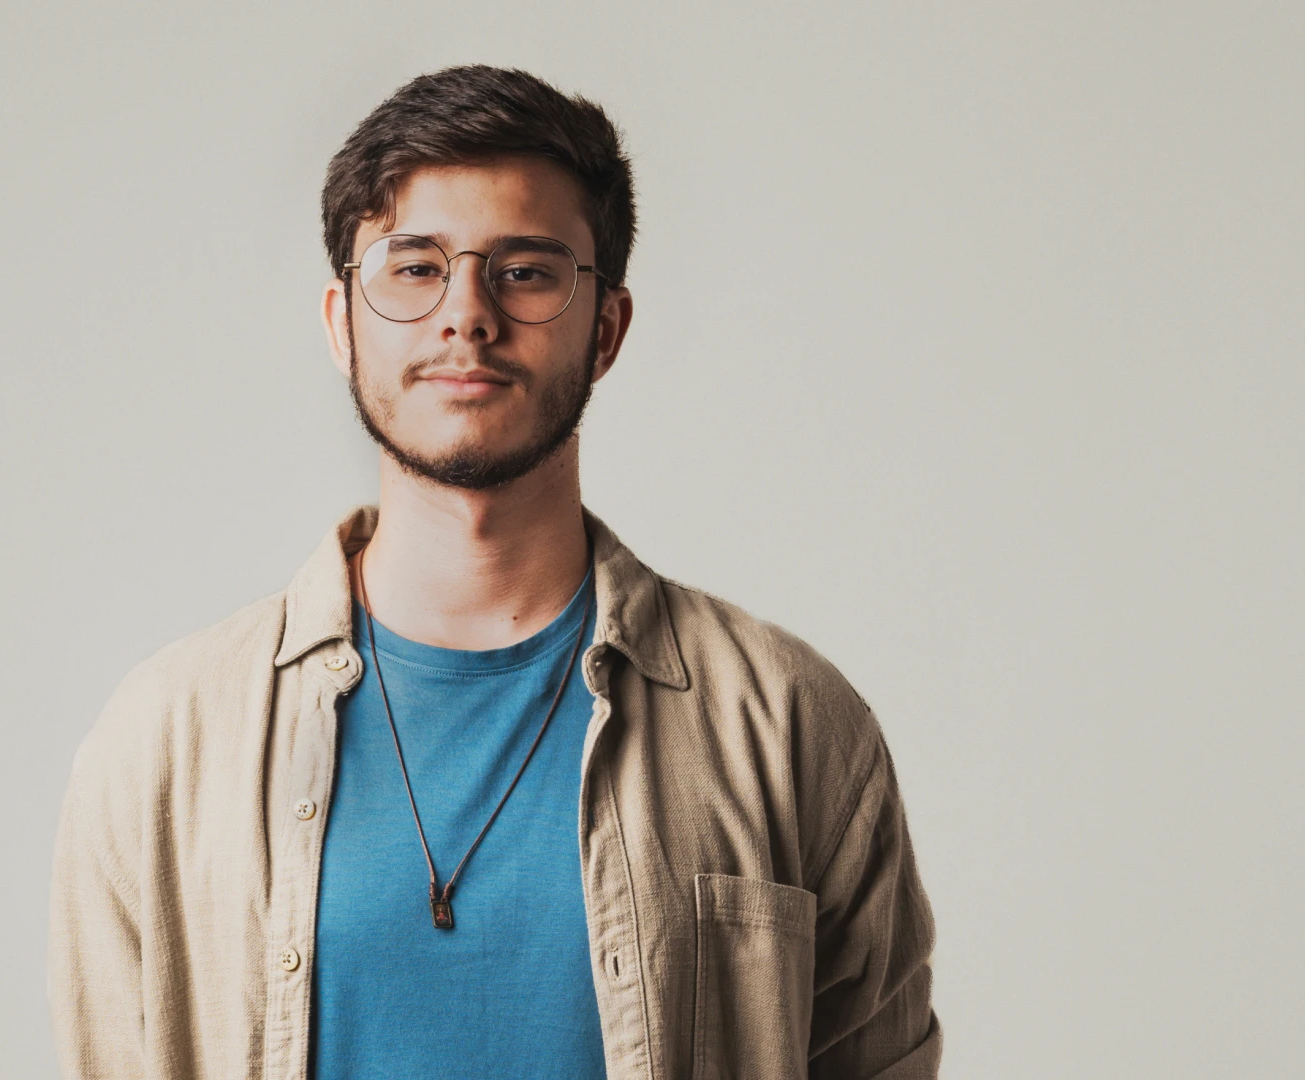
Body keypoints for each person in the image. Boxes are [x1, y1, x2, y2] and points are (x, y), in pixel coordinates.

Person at [49, 64, 941, 1080]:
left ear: (605, 328)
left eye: (525, 271)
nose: (465, 314)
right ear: (343, 324)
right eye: (415, 267)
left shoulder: (787, 723)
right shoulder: (168, 740)